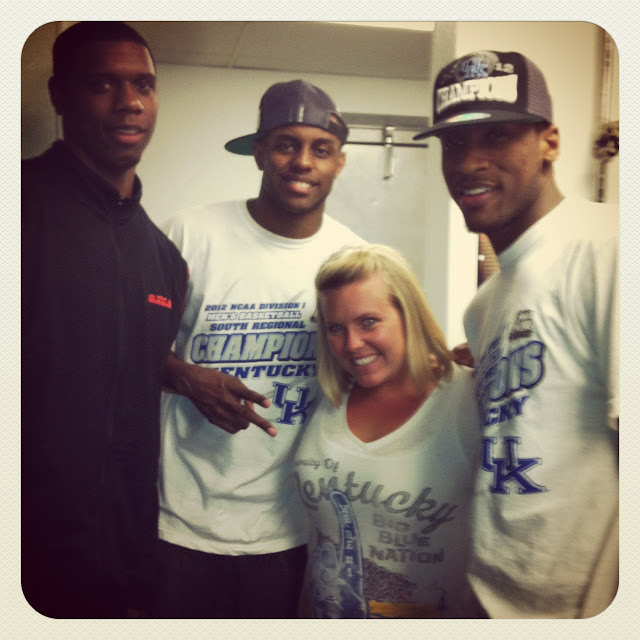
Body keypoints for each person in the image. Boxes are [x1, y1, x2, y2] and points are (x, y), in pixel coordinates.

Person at [413, 50, 619, 618]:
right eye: (454, 143)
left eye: (497, 137)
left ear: (550, 142)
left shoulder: (608, 249)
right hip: (488, 593)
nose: (469, 162)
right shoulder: (484, 308)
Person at [154, 79, 363, 618]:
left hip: (293, 529)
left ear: (339, 162)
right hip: (181, 520)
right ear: (260, 152)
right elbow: (122, 347)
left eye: (321, 149)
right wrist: (187, 378)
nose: (303, 162)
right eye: (287, 145)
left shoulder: (353, 256)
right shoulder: (189, 234)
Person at [21, 22, 188, 618]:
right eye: (102, 84)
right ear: (58, 95)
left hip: (127, 565)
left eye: (144, 85)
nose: (130, 103)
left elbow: (126, 366)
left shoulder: (164, 259)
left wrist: (185, 375)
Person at [294, 244, 482, 618]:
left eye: (368, 322)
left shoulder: (470, 400)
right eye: (336, 328)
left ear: (408, 314)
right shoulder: (327, 398)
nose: (351, 344)